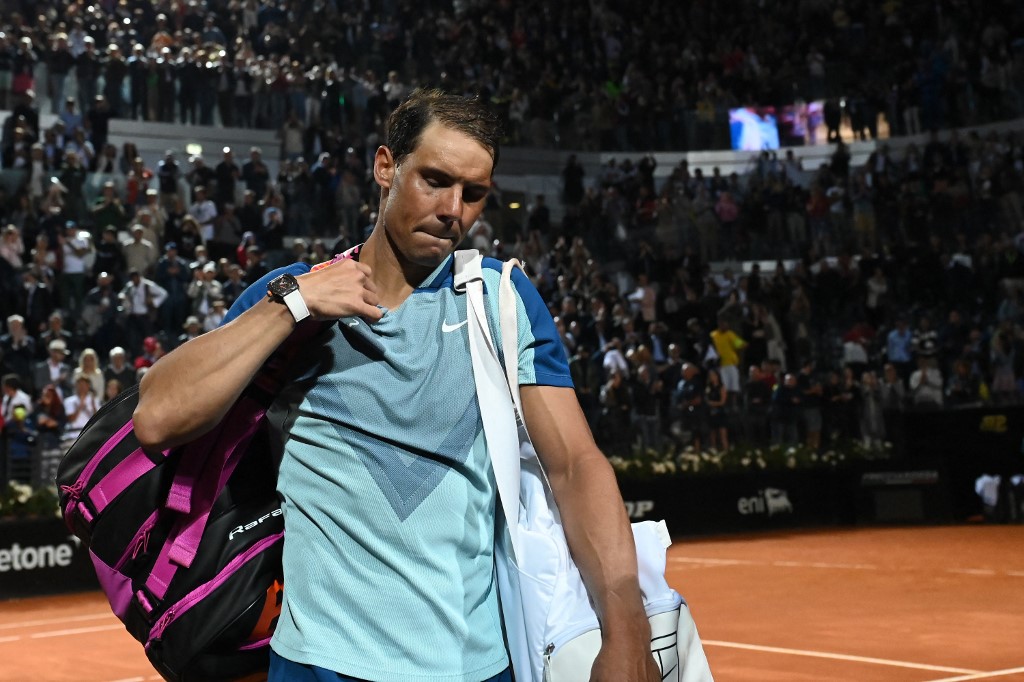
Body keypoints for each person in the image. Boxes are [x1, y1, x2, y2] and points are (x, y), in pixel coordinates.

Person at [134, 89, 661, 682]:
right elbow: (158, 417)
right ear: (386, 166)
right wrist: (294, 306)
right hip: (319, 667)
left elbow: (575, 466)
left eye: (474, 193)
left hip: (476, 668)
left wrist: (627, 629)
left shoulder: (501, 300)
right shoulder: (294, 294)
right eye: (434, 180)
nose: (453, 209)